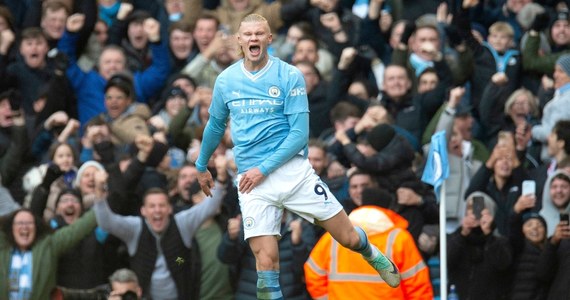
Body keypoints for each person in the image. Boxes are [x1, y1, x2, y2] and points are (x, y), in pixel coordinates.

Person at [195, 14, 401, 299]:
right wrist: (201, 163)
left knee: (348, 237)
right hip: (251, 181)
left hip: (291, 172)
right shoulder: (226, 80)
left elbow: (299, 135)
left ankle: (370, 252)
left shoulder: (289, 75)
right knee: (265, 263)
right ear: (239, 40)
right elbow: (216, 124)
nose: (253, 38)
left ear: (269, 39)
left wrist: (263, 169)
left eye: (259, 34)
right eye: (248, 34)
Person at [305, 193, 433, 299]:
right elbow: (417, 284)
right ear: (388, 209)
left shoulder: (334, 236)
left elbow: (313, 274)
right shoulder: (399, 238)